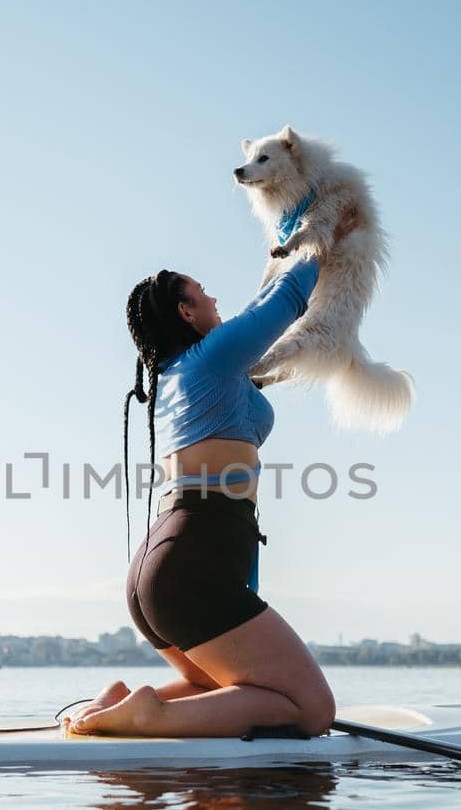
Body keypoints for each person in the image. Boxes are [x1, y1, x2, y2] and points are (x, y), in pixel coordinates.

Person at [67, 255, 338, 740]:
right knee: (311, 710)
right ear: (186, 312)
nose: (214, 298)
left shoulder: (178, 378)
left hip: (159, 567)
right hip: (193, 562)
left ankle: (120, 703)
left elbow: (261, 326)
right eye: (202, 290)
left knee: (228, 685)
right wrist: (328, 239)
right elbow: (286, 299)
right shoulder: (213, 356)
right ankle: (154, 717)